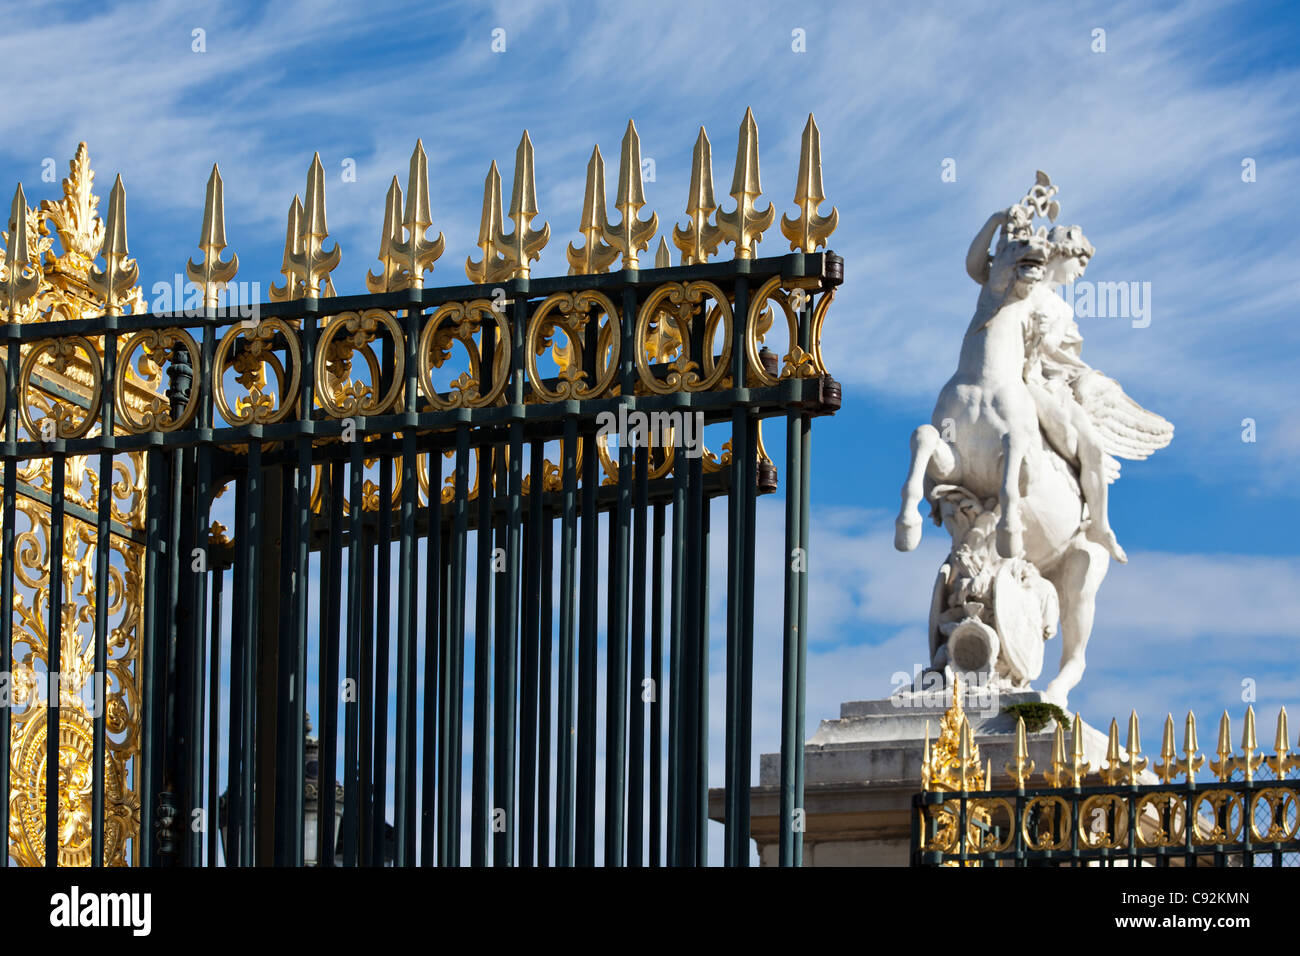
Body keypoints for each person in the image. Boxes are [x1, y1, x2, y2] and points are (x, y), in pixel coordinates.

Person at [1023, 225, 1128, 563]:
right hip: (1020, 374)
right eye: (1080, 263)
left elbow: (1055, 351)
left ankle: (1099, 524)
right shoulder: (1019, 286)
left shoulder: (1060, 309)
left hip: (1048, 383)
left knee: (1093, 448)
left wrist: (1080, 371)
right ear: (1063, 253)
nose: (1080, 273)